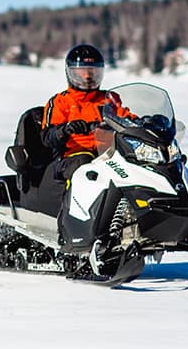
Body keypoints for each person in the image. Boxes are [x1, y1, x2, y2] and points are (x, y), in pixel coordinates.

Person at [40, 44, 134, 252]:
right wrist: (65, 130)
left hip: (109, 153)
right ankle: (70, 228)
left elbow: (126, 117)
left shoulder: (109, 99)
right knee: (84, 167)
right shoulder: (61, 102)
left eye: (93, 72)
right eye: (82, 72)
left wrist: (146, 121)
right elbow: (47, 136)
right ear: (70, 73)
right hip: (72, 155)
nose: (88, 76)